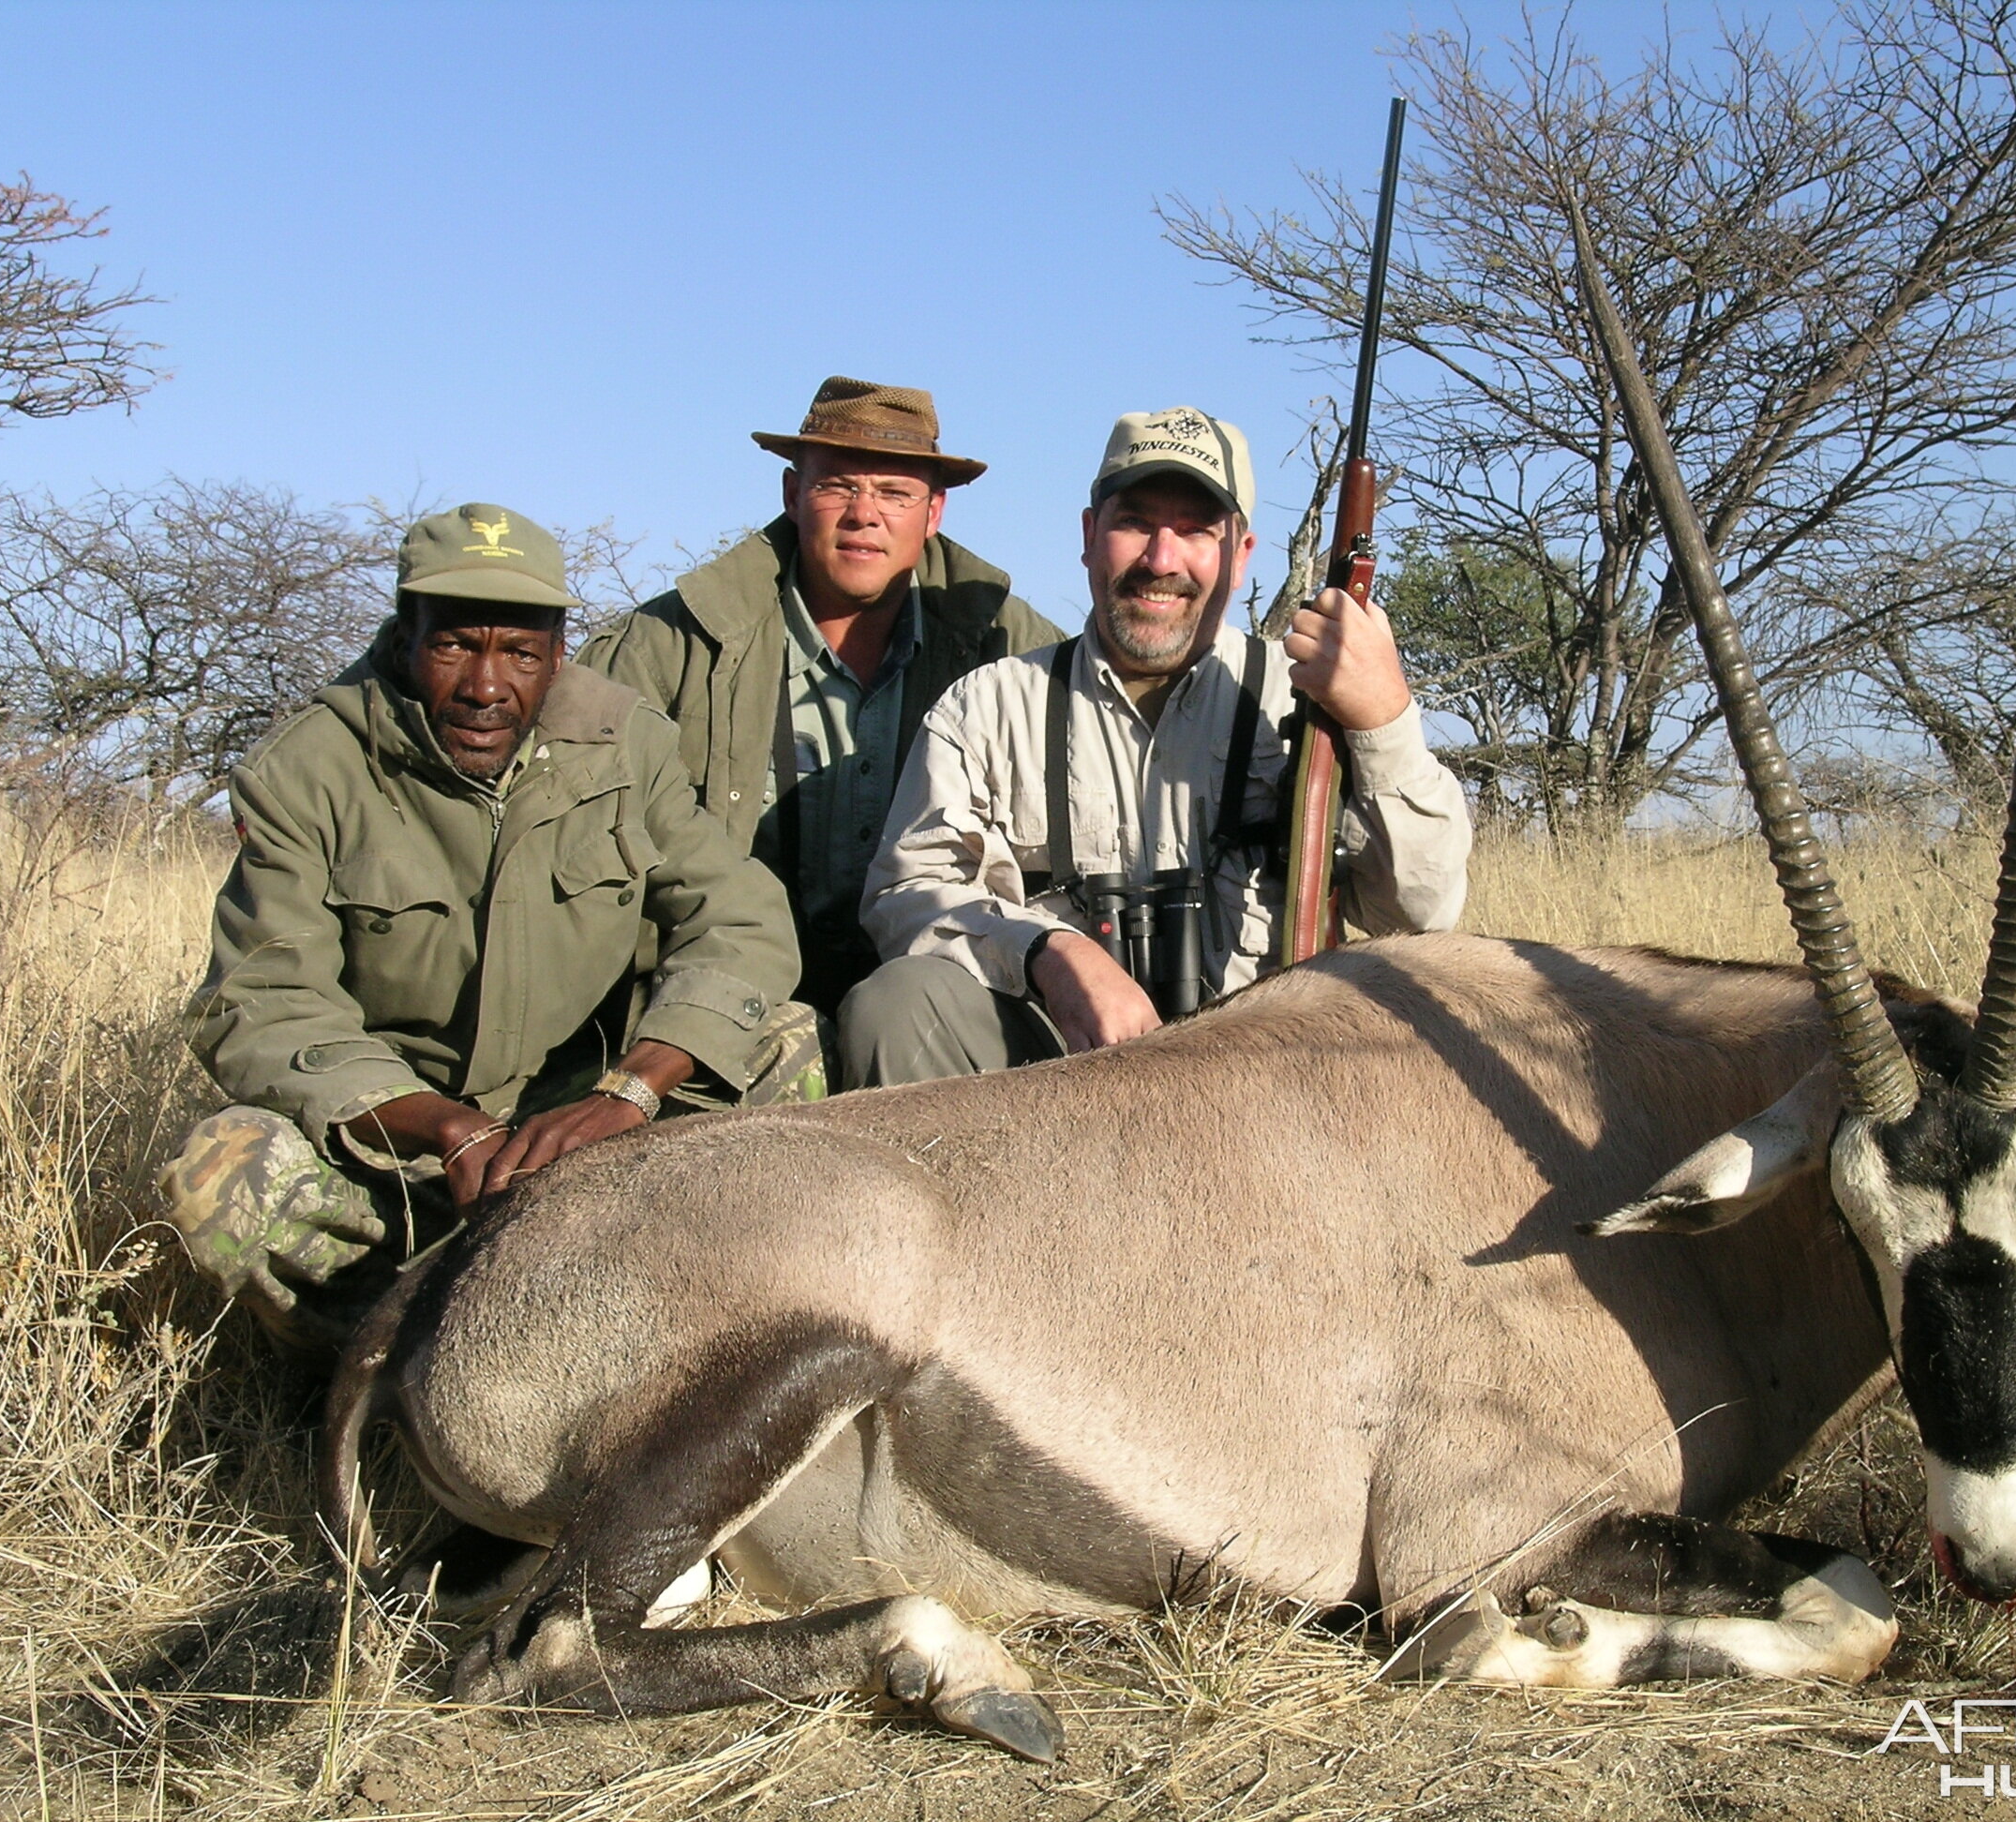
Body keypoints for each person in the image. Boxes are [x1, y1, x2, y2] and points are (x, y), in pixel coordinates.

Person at [160, 503, 808, 1360]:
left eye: (520, 654)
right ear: (404, 637)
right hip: (402, 1146)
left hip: (582, 1125)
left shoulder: (628, 744)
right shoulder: (306, 768)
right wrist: (441, 1127)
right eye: (455, 645)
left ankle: (708, 1346)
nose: (486, 686)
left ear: (557, 654)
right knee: (223, 1168)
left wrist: (627, 1092)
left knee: (797, 1047)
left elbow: (741, 920)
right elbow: (261, 999)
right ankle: (382, 1376)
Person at [842, 407, 1471, 1085]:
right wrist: (1047, 952)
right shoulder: (986, 706)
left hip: (1271, 1086)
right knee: (894, 1005)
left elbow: (1420, 915)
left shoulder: (1311, 702)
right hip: (1052, 1085)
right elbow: (906, 893)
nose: (1161, 560)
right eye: (1135, 522)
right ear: (1090, 535)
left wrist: (1384, 720)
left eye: (1196, 530)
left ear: (1241, 556)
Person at [579, 377, 1060, 1017]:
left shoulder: (1015, 649)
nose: (865, 513)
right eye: (838, 485)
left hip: (934, 1006)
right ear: (792, 494)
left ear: (933, 513)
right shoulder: (669, 644)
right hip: (712, 1003)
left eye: (895, 492)